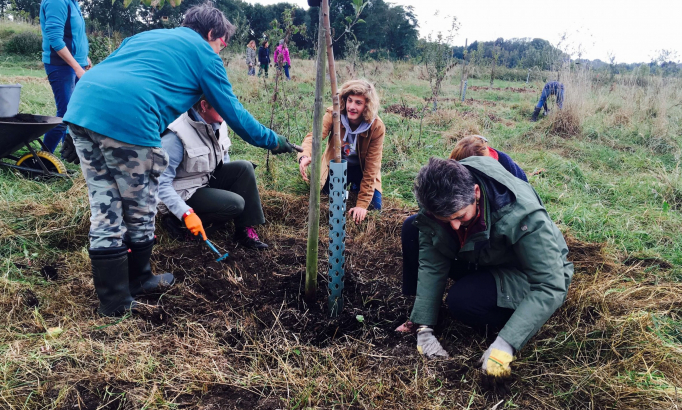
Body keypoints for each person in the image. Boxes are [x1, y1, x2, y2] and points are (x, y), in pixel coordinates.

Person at [62, 5, 299, 317]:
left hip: (81, 108)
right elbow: (235, 114)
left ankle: (120, 293)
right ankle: (128, 291)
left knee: (104, 204)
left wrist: (72, 130)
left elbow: (111, 76)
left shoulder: (145, 38)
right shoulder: (204, 54)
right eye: (223, 39)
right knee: (139, 206)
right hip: (129, 118)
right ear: (211, 34)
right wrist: (276, 141)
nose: (223, 45)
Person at [401, 157, 573, 378]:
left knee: (463, 300)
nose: (453, 225)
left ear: (476, 193)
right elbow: (432, 261)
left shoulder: (522, 215)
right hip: (481, 255)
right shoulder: (437, 195)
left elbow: (551, 283)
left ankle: (515, 316)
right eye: (445, 220)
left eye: (460, 216)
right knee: (412, 228)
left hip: (525, 271)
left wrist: (506, 343)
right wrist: (423, 326)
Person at [397, 134, 530, 308]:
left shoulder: (510, 179)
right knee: (412, 226)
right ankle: (416, 297)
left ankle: (480, 288)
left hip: (494, 257)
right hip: (467, 247)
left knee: (463, 298)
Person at [158, 94, 268, 249]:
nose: (227, 110)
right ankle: (180, 225)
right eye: (221, 105)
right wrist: (184, 212)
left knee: (244, 167)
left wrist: (228, 187)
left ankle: (245, 228)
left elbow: (223, 156)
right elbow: (160, 184)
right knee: (235, 204)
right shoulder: (176, 134)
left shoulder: (219, 121)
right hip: (183, 193)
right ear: (203, 106)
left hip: (205, 179)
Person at [298, 79, 385, 224]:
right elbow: (315, 137)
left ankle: (356, 187)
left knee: (374, 210)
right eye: (349, 100)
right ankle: (348, 187)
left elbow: (372, 167)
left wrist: (361, 205)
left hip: (361, 169)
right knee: (326, 202)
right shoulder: (334, 113)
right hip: (336, 166)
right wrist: (305, 155)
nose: (351, 106)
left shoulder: (376, 127)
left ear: (366, 106)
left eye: (358, 103)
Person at [39, 0, 90, 153]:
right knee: (66, 115)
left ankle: (65, 156)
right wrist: (76, 67)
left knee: (74, 113)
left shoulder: (73, 2)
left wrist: (84, 57)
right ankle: (42, 160)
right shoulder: (57, 2)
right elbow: (55, 38)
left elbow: (75, 34)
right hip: (61, 65)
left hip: (75, 64)